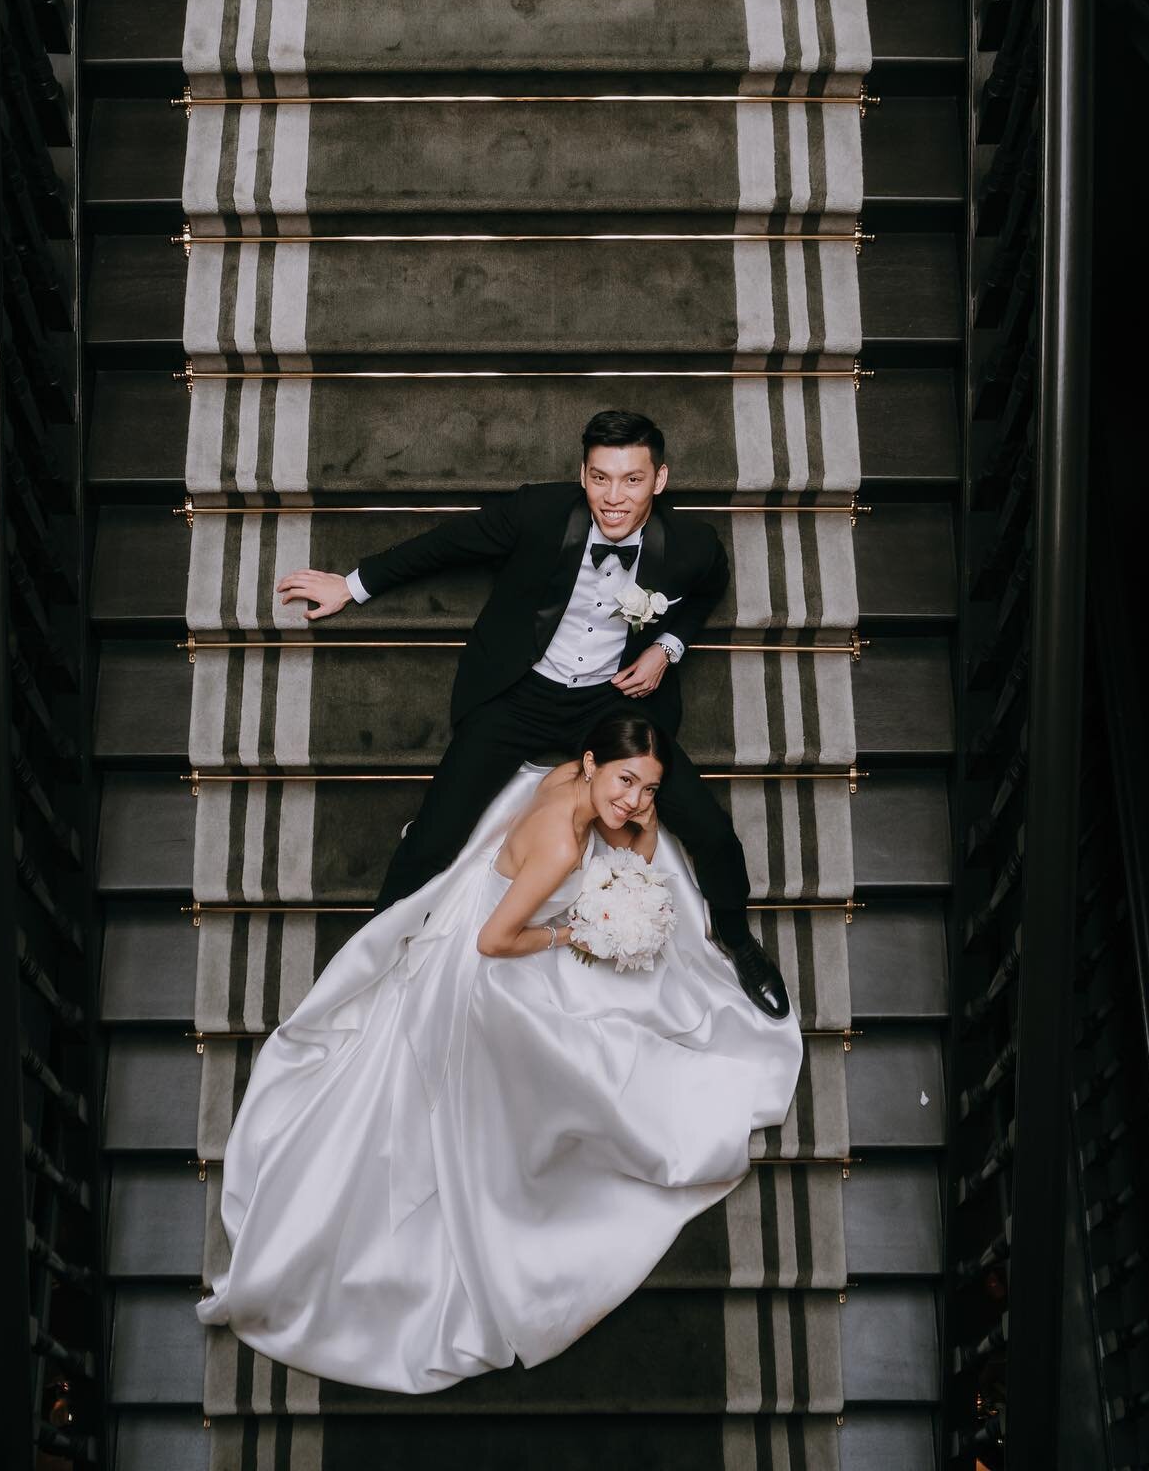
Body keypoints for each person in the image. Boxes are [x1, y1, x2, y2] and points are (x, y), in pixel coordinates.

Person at [197, 713, 803, 1392]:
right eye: (625, 780)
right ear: (590, 762)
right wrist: (572, 935)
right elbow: (494, 942)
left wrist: (635, 831)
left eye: (650, 789)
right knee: (577, 1056)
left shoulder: (560, 782)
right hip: (485, 966)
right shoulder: (560, 852)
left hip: (483, 918)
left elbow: (638, 840)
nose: (633, 802)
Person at [275, 408, 791, 1019]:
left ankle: (737, 939)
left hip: (610, 700)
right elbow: (444, 546)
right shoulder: (538, 514)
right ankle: (366, 966)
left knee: (707, 827)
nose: (614, 497)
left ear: (660, 480)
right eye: (600, 478)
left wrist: (666, 647)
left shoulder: (691, 546)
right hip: (520, 689)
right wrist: (352, 585)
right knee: (433, 838)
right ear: (582, 474)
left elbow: (709, 587)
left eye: (631, 479)